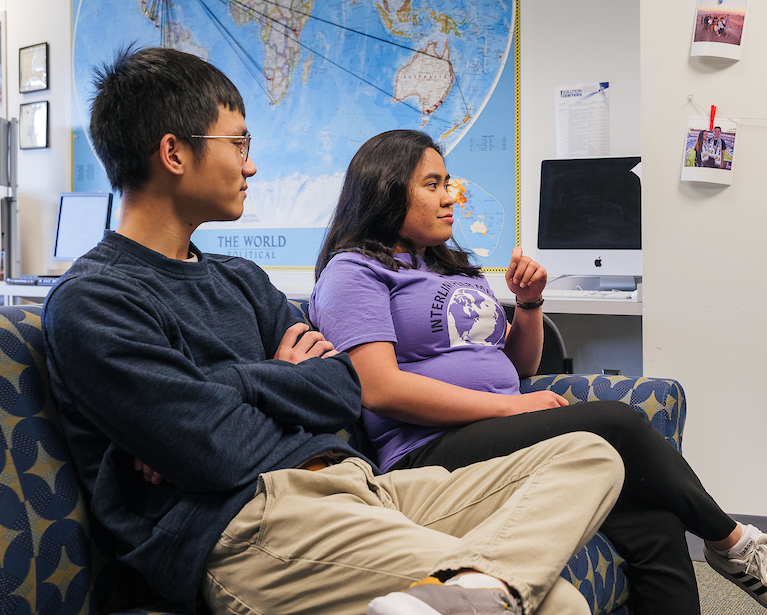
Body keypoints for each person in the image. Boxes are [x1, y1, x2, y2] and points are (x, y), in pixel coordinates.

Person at [43, 46, 625, 615]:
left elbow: (342, 388)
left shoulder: (240, 279)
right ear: (173, 153)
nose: (250, 164)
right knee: (559, 604)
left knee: (591, 455)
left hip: (359, 486)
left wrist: (223, 383)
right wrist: (280, 375)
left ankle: (464, 586)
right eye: (239, 143)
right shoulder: (95, 301)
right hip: (252, 526)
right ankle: (465, 591)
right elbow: (215, 453)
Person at [308, 129, 767, 615]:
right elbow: (379, 388)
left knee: (654, 521)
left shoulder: (443, 264)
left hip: (495, 429)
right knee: (616, 422)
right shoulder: (353, 271)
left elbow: (516, 366)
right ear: (385, 192)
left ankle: (722, 546)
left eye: (449, 182)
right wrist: (509, 406)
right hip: (427, 448)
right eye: (433, 184)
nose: (451, 196)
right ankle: (733, 543)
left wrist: (529, 305)